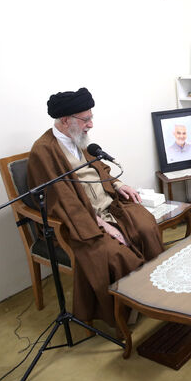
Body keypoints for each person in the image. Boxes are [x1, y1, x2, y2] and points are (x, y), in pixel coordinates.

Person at [27, 87, 164, 327]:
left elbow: (101, 170)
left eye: (91, 118)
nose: (90, 124)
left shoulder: (79, 139)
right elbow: (61, 199)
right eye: (86, 119)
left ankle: (154, 289)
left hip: (110, 205)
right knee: (116, 254)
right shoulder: (44, 150)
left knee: (146, 226)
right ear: (65, 120)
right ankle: (126, 312)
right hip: (79, 221)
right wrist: (101, 225)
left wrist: (119, 184)